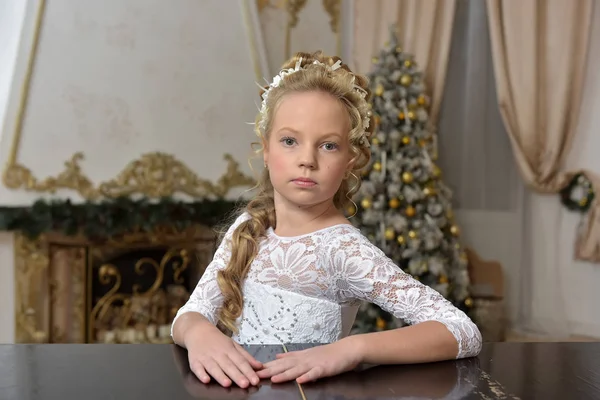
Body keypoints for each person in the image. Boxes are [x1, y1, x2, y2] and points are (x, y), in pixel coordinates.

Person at [171, 51, 482, 389]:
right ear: (265, 148)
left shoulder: (342, 248)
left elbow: (461, 330)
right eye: (290, 141)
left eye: (328, 146)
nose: (307, 160)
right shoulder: (248, 226)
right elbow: (189, 314)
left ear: (350, 159)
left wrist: (354, 348)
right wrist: (199, 331)